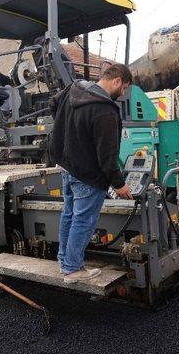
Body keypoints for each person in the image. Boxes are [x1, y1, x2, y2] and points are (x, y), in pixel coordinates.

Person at [48, 64, 133, 284]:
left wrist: (67, 133)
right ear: (116, 81)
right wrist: (119, 184)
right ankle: (73, 268)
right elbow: (107, 155)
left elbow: (53, 104)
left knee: (69, 215)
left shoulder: (73, 89)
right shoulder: (105, 109)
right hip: (88, 175)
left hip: (68, 167)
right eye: (124, 88)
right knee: (83, 220)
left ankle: (65, 262)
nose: (122, 94)